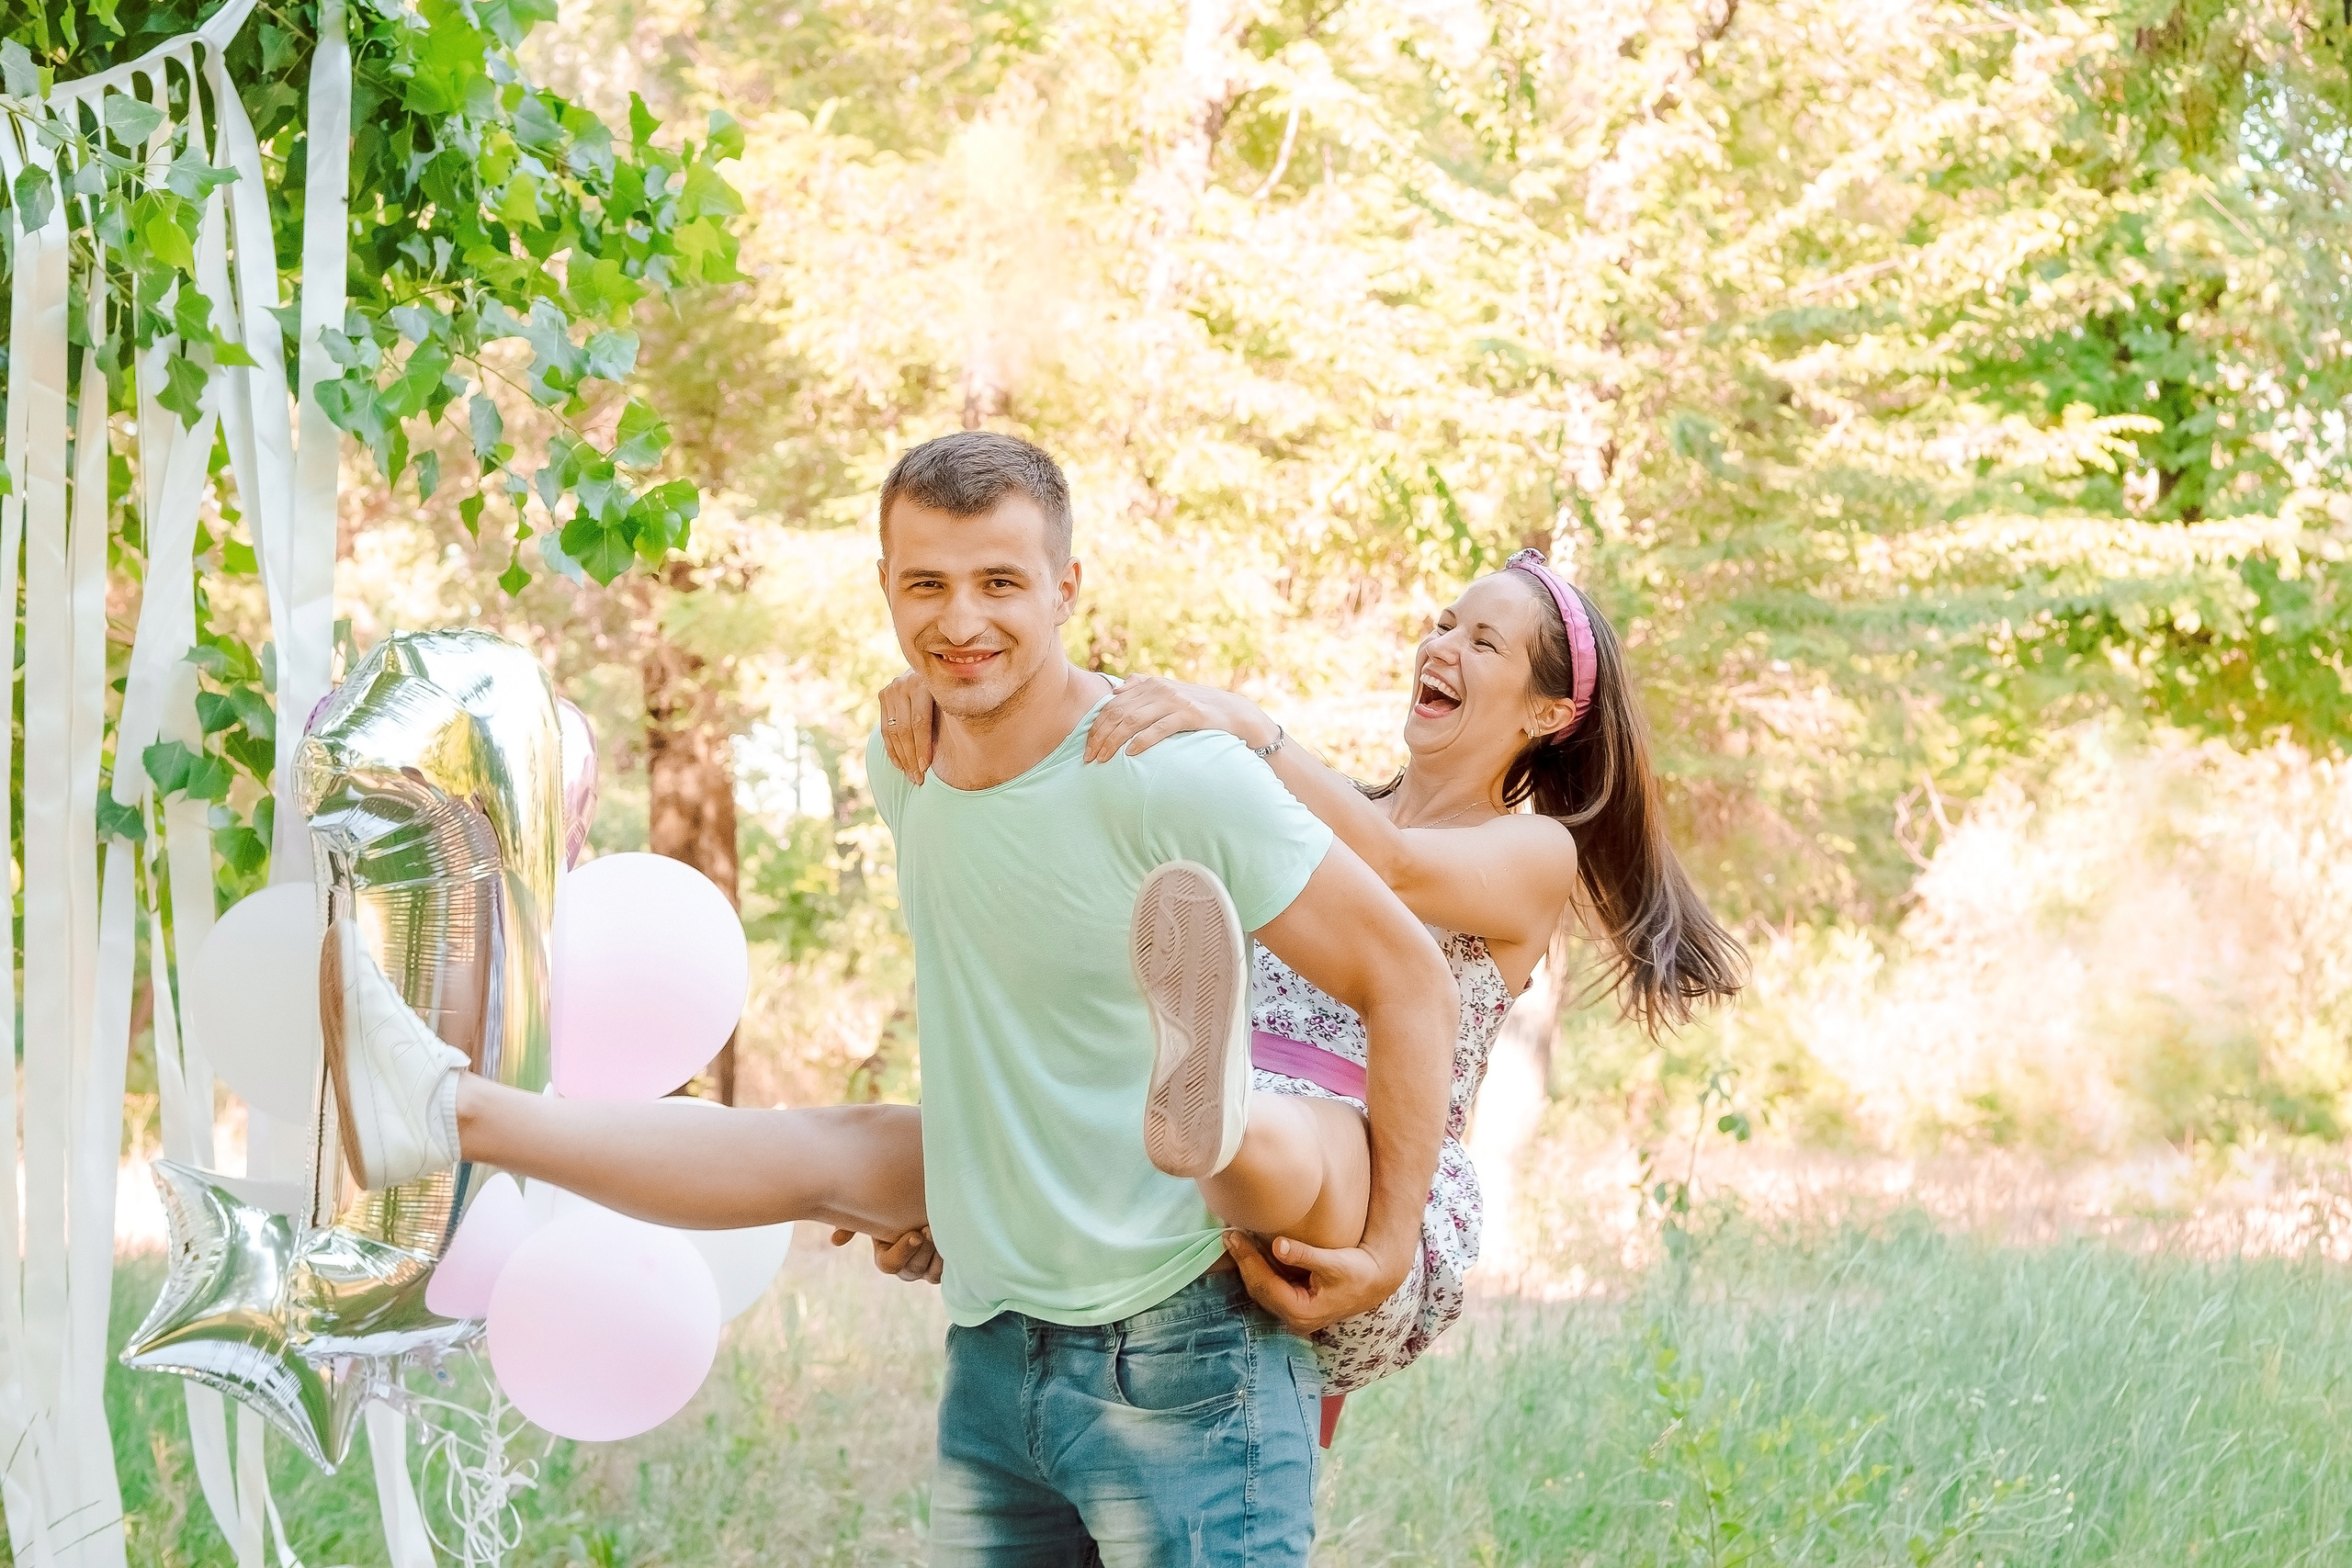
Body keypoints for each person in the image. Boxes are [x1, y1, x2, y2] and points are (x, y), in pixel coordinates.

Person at [323, 431, 1462, 1567]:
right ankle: (449, 1108)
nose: (960, 622)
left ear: (1068, 588)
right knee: (832, 1147)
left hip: (1183, 1348)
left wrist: (1393, 1243)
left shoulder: (1167, 774)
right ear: (883, 586)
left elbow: (1406, 977)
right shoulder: (903, 762)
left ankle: (1222, 1124)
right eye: (927, 583)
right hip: (993, 1347)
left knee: (856, 1147)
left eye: (1000, 583)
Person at [876, 539, 1747, 1411]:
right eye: (1444, 623)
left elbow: (1397, 866)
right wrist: (963, 694)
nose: (1442, 645)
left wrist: (1252, 725)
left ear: (1549, 714)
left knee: (1262, 1136)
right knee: (949, 1146)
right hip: (1193, 1176)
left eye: (1484, 643)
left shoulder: (1535, 850)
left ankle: (1215, 1114)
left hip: (1362, 1187)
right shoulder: (1332, 805)